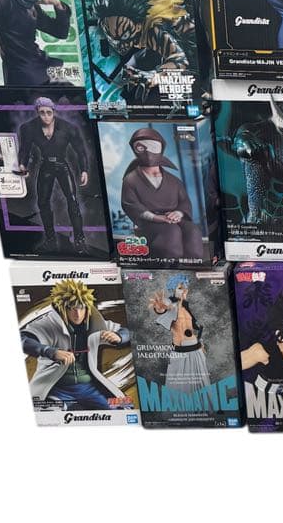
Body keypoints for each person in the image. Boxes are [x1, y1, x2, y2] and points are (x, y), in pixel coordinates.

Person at [20, 278, 131, 411]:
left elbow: (126, 332)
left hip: (88, 388)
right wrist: (51, 352)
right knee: (50, 412)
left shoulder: (95, 323)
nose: (77, 314)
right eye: (71, 308)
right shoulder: (48, 324)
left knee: (123, 408)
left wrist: (119, 337)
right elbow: (23, 339)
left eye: (81, 307)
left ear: (87, 307)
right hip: (56, 388)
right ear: (61, 307)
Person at [17, 96, 89, 254]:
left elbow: (80, 150)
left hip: (62, 165)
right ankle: (50, 240)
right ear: (37, 112)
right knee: (43, 202)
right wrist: (22, 165)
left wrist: (84, 170)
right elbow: (24, 149)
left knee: (72, 200)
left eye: (49, 112)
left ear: (54, 112)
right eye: (42, 113)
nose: (46, 116)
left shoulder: (68, 128)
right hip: (46, 166)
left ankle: (79, 239)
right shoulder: (29, 127)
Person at [120, 127, 203, 262]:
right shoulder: (130, 180)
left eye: (153, 147)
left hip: (173, 218)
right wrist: (156, 217)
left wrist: (178, 213)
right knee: (171, 232)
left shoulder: (174, 180)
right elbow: (131, 204)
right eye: (141, 148)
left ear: (161, 149)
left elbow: (184, 202)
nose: (148, 152)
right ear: (134, 150)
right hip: (148, 223)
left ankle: (193, 264)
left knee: (192, 231)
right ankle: (168, 263)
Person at [150, 274, 210, 396]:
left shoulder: (186, 307)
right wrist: (159, 308)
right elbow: (164, 307)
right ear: (173, 289)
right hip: (181, 353)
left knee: (203, 388)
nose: (184, 289)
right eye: (180, 287)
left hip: (197, 350)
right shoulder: (172, 304)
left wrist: (201, 344)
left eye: (185, 286)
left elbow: (192, 329)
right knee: (178, 391)